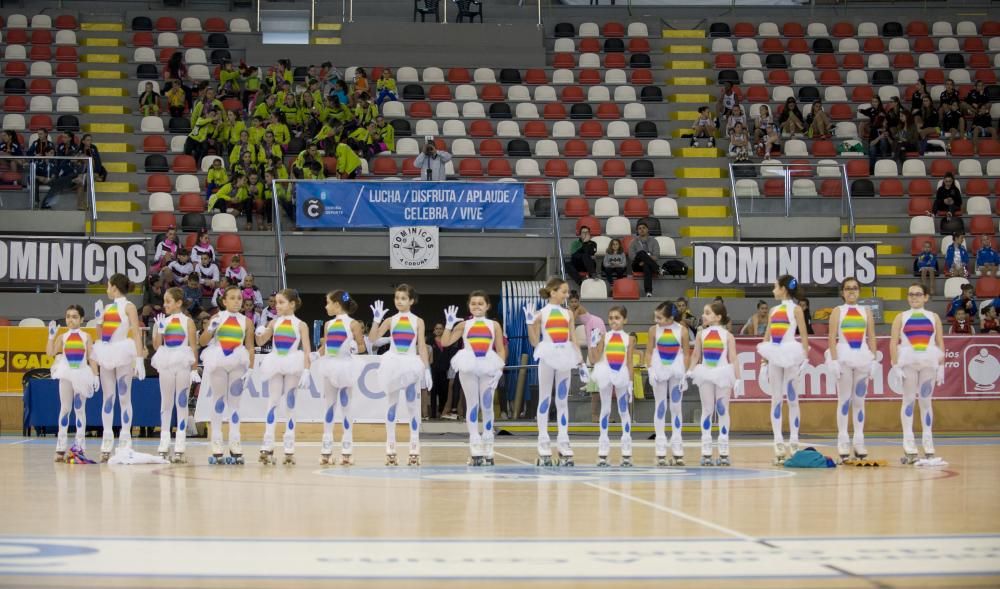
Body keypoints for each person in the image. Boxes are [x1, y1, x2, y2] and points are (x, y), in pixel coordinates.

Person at [442, 291, 507, 466]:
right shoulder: (464, 324)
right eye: (473, 303)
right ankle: (475, 443)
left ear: (487, 306)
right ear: (469, 306)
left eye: (480, 303)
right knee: (472, 404)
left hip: (488, 363)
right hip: (468, 363)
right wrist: (449, 325)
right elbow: (445, 342)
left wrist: (500, 368)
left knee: (487, 405)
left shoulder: (494, 325)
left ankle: (488, 444)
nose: (477, 306)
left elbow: (500, 348)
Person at [369, 284, 431, 466]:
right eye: (397, 298)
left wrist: (426, 369)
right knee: (392, 405)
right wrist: (376, 321)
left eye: (403, 298)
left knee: (412, 405)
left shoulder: (418, 321)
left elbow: (421, 346)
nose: (399, 301)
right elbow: (372, 339)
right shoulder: (390, 320)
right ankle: (390, 445)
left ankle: (414, 444)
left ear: (411, 301)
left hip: (411, 364)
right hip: (393, 363)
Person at [525, 277, 584, 467]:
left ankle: (563, 441)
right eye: (564, 292)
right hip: (548, 354)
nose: (567, 295)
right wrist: (529, 323)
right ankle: (543, 442)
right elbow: (535, 342)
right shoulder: (541, 313)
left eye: (567, 292)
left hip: (566, 355)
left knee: (562, 400)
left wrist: (581, 361)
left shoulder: (568, 314)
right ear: (553, 292)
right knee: (544, 398)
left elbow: (573, 338)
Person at [91, 274, 146, 462]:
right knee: (108, 397)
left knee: (124, 396)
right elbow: (101, 335)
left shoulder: (129, 307)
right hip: (106, 352)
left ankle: (125, 436)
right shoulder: (107, 308)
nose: (107, 290)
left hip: (123, 351)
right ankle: (107, 437)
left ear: (114, 287)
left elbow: (136, 333)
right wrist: (98, 320)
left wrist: (139, 359)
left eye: (108, 286)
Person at [254, 288, 312, 465]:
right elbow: (261, 342)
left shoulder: (300, 325)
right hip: (276, 361)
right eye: (276, 302)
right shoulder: (274, 322)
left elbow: (307, 350)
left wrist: (307, 370)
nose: (276, 305)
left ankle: (289, 444)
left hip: (293, 362)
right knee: (273, 401)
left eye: (281, 302)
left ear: (292, 304)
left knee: (290, 403)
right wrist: (259, 332)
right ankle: (268, 442)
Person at [757, 274, 810, 465]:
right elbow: (767, 335)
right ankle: (778, 442)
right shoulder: (773, 310)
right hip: (774, 353)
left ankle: (794, 441)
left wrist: (804, 357)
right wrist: (763, 361)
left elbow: (803, 334)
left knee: (793, 398)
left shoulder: (796, 309)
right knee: (776, 398)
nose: (773, 290)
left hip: (790, 353)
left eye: (775, 287)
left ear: (783, 289)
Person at [199, 285, 255, 465]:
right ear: (224, 301)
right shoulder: (217, 317)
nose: (237, 301)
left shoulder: (246, 321)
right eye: (232, 298)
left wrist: (251, 368)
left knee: (235, 403)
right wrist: (210, 329)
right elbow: (202, 342)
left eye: (239, 298)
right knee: (218, 400)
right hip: (218, 359)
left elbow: (250, 346)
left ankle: (235, 440)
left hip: (238, 360)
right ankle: (216, 439)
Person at [889, 283, 945, 463]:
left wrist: (941, 364)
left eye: (918, 294)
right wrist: (895, 364)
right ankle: (909, 441)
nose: (914, 297)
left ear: (926, 297)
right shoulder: (901, 317)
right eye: (911, 294)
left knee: (926, 401)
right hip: (908, 360)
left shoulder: (934, 317)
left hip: (929, 360)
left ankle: (928, 441)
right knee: (909, 400)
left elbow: (939, 341)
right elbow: (892, 342)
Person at [825, 278, 878, 462]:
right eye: (847, 289)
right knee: (844, 399)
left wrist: (873, 359)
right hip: (844, 355)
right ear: (842, 292)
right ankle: (842, 439)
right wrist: (833, 360)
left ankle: (859, 440)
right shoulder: (837, 311)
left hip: (862, 356)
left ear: (859, 291)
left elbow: (871, 336)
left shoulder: (866, 312)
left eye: (854, 288)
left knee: (859, 401)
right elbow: (832, 337)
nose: (851, 291)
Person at [311, 290, 366, 465]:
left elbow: (362, 346)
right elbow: (326, 346)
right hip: (329, 365)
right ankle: (326, 447)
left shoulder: (353, 324)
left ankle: (347, 448)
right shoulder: (328, 324)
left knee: (346, 407)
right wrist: (316, 355)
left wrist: (354, 348)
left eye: (327, 303)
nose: (326, 306)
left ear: (336, 304)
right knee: (329, 406)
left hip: (346, 366)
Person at [150, 288, 199, 463]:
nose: (164, 305)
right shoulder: (162, 321)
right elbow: (156, 346)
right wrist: (160, 330)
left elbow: (193, 345)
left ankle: (180, 440)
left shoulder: (188, 322)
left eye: (168, 301)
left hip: (183, 361)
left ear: (178, 303)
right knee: (166, 401)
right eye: (164, 301)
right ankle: (164, 438)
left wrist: (194, 368)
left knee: (181, 401)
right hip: (166, 361)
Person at [687, 301, 739, 467]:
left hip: (723, 373)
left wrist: (737, 378)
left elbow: (733, 358)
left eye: (708, 313)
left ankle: (723, 450)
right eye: (704, 312)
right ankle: (706, 449)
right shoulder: (701, 334)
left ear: (718, 317)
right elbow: (696, 355)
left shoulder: (728, 336)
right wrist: (689, 371)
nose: (704, 315)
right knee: (707, 410)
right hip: (706, 373)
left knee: (722, 410)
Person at [46, 305, 99, 461]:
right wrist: (50, 337)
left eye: (75, 316)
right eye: (68, 316)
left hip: (82, 374)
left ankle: (79, 447)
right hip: (66, 373)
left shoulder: (86, 336)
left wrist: (95, 374)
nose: (70, 319)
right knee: (65, 409)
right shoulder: (63, 337)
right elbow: (50, 353)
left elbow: (91, 357)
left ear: (82, 319)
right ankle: (60, 448)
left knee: (79, 410)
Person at [586, 305, 635, 467]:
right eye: (611, 318)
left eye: (617, 318)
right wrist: (593, 344)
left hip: (621, 373)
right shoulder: (604, 336)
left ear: (625, 320)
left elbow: (629, 362)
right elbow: (594, 359)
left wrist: (630, 382)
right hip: (605, 372)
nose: (613, 321)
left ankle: (626, 448)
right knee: (605, 409)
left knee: (623, 410)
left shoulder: (628, 338)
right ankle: (603, 447)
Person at [645, 301, 689, 466]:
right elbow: (649, 351)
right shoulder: (653, 330)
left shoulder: (682, 330)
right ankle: (660, 448)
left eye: (660, 317)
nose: (656, 320)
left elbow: (685, 353)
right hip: (659, 368)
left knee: (676, 407)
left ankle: (677, 448)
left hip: (676, 369)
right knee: (661, 406)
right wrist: (650, 370)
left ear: (671, 318)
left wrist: (684, 373)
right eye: (655, 316)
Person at [628, 221, 661, 297]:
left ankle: (648, 291)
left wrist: (645, 260)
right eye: (639, 228)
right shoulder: (633, 242)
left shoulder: (654, 241)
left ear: (647, 229)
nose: (642, 230)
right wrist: (642, 260)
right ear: (637, 231)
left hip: (648, 265)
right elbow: (631, 256)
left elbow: (656, 256)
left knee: (646, 266)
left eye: (643, 228)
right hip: (637, 265)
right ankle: (658, 269)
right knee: (641, 253)